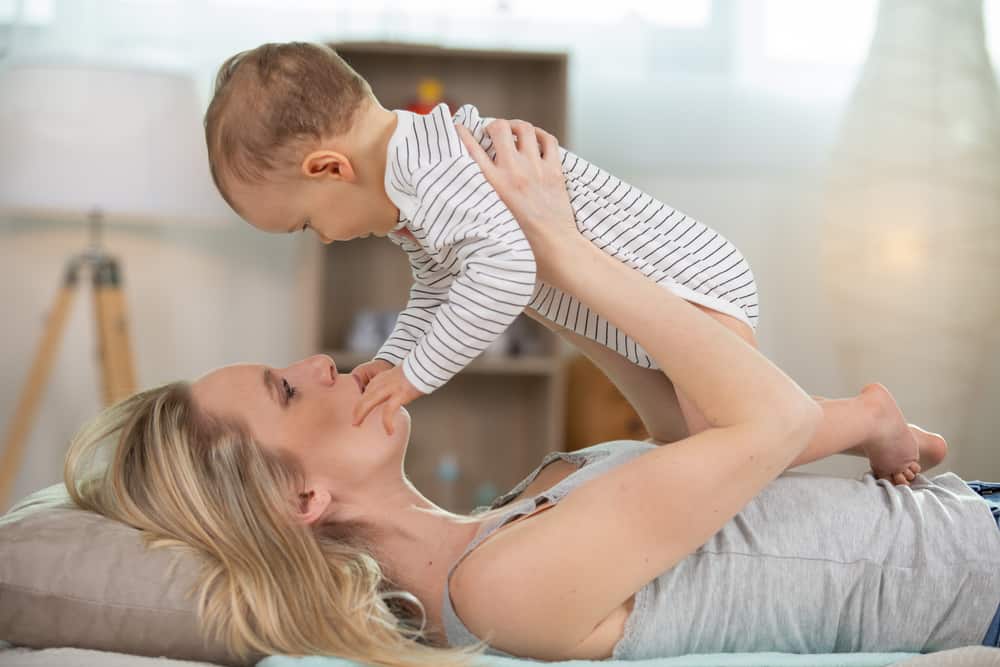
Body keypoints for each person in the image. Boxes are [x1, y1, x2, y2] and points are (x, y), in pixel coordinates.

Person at [65, 116, 1000, 667]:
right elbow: (778, 416)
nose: (316, 365)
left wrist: (527, 269)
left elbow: (703, 443)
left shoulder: (502, 521)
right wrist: (563, 249)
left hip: (968, 523)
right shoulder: (500, 588)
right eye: (283, 389)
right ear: (302, 500)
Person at [201, 41, 944, 485]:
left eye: (305, 223)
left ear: (331, 168)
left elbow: (501, 275)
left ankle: (867, 417)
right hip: (636, 314)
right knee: (681, 441)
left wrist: (420, 374)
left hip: (684, 286)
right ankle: (865, 422)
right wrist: (390, 363)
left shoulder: (433, 171)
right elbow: (438, 286)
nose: (325, 239)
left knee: (736, 441)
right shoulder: (409, 189)